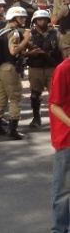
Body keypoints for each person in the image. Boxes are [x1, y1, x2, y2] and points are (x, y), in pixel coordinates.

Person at [0, 7, 32, 140]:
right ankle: (13, 130)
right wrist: (25, 39)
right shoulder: (15, 33)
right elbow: (13, 51)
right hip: (9, 68)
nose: (24, 20)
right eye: (21, 18)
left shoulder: (2, 30)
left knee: (1, 97)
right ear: (14, 19)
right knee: (15, 98)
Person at [24, 10, 67, 128]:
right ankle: (36, 118)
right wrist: (30, 53)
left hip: (52, 68)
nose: (42, 21)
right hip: (35, 68)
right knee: (35, 95)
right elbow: (21, 51)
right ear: (35, 21)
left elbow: (62, 49)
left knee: (56, 95)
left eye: (44, 19)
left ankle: (59, 120)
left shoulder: (55, 33)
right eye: (39, 19)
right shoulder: (29, 34)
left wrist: (63, 66)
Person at [49, 56, 70, 233]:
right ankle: (59, 229)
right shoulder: (64, 69)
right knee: (63, 189)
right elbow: (54, 106)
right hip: (67, 138)